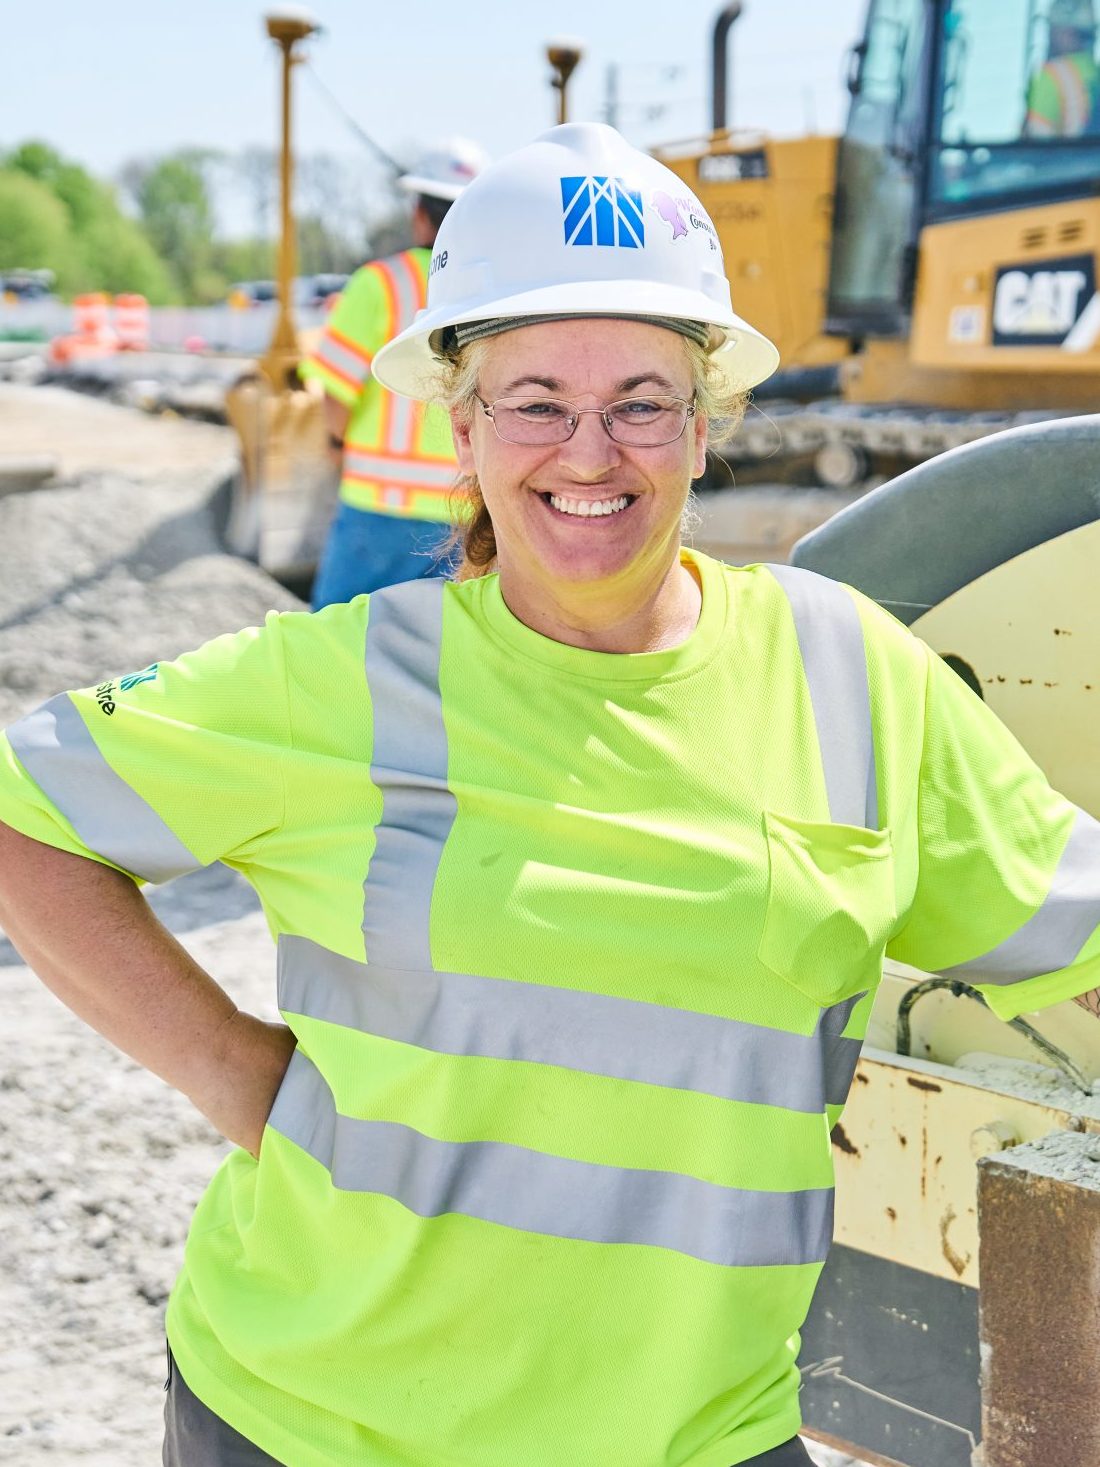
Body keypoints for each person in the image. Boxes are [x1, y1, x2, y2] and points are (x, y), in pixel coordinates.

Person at [0, 122, 1099, 1467]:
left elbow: (1070, 925)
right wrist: (237, 1072)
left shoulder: (850, 677)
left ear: (705, 425)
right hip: (319, 1422)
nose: (592, 450)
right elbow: (24, 812)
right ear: (462, 425)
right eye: (535, 401)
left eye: (640, 398)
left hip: (700, 1431)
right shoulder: (346, 680)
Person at [301, 136, 488, 608]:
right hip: (464, 508)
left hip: (377, 507)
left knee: (333, 643)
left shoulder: (378, 284)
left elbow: (336, 393)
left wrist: (335, 443)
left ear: (419, 214)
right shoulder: (492, 292)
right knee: (443, 652)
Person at [1024, 0, 1100, 137]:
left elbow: (1037, 145)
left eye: (1053, 29)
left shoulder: (1052, 76)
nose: (1049, 37)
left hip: (1067, 158)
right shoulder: (1096, 73)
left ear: (1068, 34)